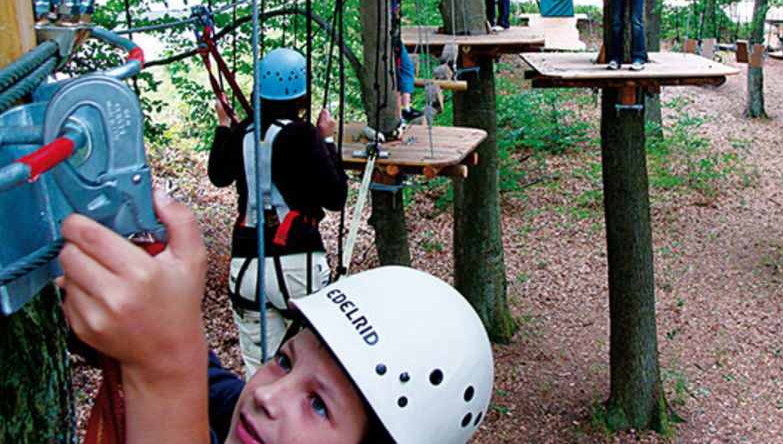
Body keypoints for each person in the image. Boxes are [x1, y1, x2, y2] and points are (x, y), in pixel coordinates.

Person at [57, 187, 495, 444]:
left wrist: (161, 371)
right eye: (285, 360)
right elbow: (197, 370)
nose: (269, 396)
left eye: (319, 405)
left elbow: (175, 369)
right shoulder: (244, 416)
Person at [208, 47, 348, 377]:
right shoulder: (304, 135)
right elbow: (336, 197)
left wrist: (224, 125)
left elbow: (218, 176)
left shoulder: (243, 131)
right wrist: (327, 141)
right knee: (308, 370)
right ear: (300, 95)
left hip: (247, 267)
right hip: (298, 263)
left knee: (262, 375)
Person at [388, 0, 422, 123]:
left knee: (403, 70)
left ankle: (404, 110)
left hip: (392, 35)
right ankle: (401, 113)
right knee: (399, 72)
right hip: (390, 36)